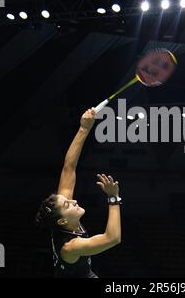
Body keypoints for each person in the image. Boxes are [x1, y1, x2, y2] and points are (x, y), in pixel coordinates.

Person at [36, 108, 122, 278]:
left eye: (67, 200)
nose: (73, 201)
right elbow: (113, 238)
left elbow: (69, 168)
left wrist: (84, 128)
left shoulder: (63, 219)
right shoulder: (70, 247)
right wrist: (113, 197)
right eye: (67, 204)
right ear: (62, 220)